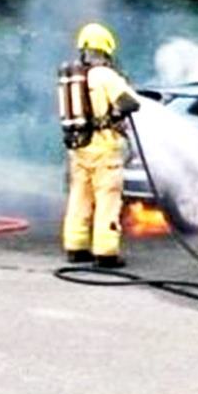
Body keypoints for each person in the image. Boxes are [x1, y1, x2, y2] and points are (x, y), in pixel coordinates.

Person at [62, 22, 141, 268]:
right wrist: (115, 115)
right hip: (105, 150)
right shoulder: (106, 75)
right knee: (108, 200)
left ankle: (76, 247)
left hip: (78, 147)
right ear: (106, 49)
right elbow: (131, 103)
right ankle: (106, 253)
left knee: (79, 197)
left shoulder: (74, 77)